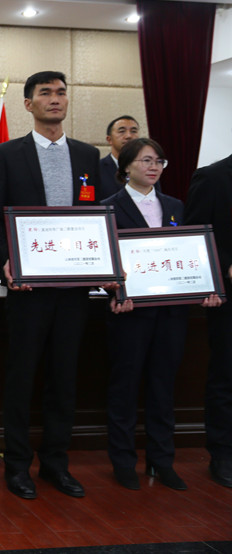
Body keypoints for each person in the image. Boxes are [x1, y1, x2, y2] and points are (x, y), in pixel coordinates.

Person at [0, 71, 102, 500]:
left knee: (64, 379)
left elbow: (98, 218)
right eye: (45, 93)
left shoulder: (88, 155)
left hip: (73, 290)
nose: (55, 99)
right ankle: (16, 466)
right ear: (28, 104)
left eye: (61, 92)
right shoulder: (8, 154)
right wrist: (6, 262)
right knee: (22, 379)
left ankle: (56, 463)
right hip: (27, 290)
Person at [103, 138, 222, 491]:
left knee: (164, 387)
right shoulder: (108, 208)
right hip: (130, 313)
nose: (153, 167)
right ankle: (123, 462)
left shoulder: (175, 206)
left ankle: (161, 460)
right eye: (145, 160)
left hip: (171, 314)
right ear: (126, 167)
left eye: (159, 161)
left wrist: (206, 286)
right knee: (124, 389)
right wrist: (114, 289)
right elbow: (104, 262)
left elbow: (191, 252)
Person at [186, 150, 232, 489]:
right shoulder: (213, 177)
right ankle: (223, 454)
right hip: (228, 298)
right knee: (226, 378)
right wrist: (226, 266)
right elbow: (195, 234)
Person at [99, 116, 141, 200]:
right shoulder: (96, 169)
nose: (129, 136)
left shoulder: (147, 168)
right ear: (109, 139)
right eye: (122, 131)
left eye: (133, 131)